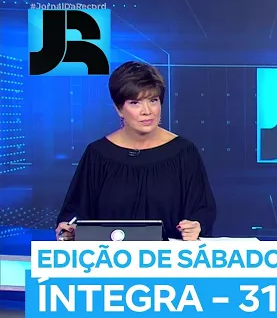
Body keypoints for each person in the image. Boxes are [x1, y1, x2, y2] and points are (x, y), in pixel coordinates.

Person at [55, 61, 217, 241]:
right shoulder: (98, 154)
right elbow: (75, 213)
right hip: (109, 256)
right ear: (119, 109)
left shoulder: (184, 152)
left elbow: (202, 210)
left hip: (168, 257)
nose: (147, 111)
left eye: (153, 100)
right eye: (135, 103)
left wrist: (196, 226)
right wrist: (70, 229)